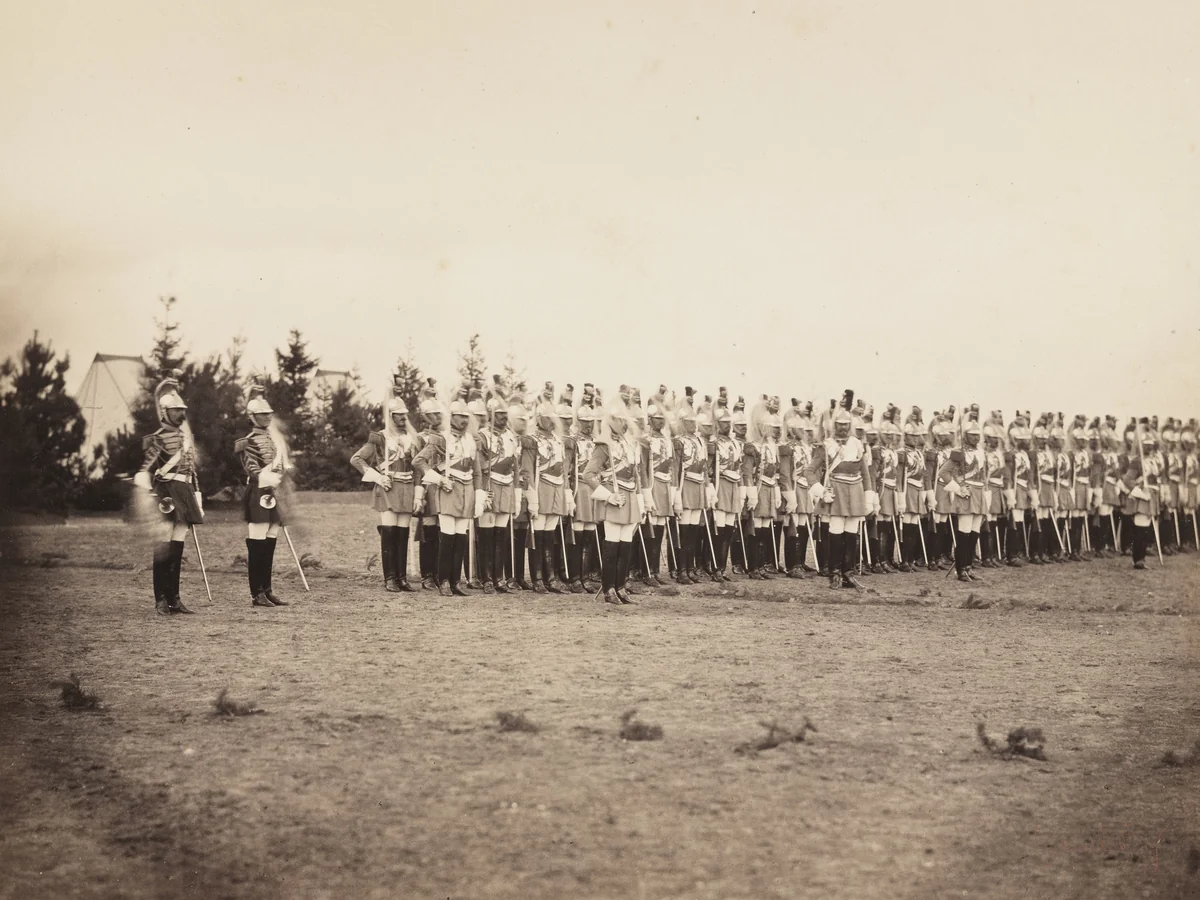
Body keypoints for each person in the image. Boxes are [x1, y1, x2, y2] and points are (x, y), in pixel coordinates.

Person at [135, 375, 203, 615]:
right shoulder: (157, 438)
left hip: (184, 492)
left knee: (177, 547)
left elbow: (191, 470)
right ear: (165, 412)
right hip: (166, 493)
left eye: (181, 410)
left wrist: (197, 495)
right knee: (163, 547)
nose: (180, 414)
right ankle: (160, 599)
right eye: (175, 410)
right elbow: (145, 469)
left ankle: (175, 598)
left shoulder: (186, 439)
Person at [350, 373, 419, 593]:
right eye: (397, 415)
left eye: (404, 415)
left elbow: (416, 466)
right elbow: (357, 459)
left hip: (407, 487)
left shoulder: (412, 438)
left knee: (403, 532)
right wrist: (377, 476)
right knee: (389, 532)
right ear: (390, 416)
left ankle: (401, 577)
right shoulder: (379, 437)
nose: (402, 419)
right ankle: (389, 577)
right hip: (389, 487)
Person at [412, 397, 486, 596]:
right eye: (459, 417)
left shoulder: (472, 439)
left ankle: (455, 582)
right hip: (448, 490)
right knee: (447, 536)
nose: (463, 420)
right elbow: (418, 461)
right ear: (451, 417)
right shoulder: (441, 438)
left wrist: (479, 496)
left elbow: (477, 472)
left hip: (467, 491)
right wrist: (438, 479)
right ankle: (443, 580)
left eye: (465, 417)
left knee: (461, 537)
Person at [806, 391, 876, 590]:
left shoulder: (857, 444)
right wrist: (820, 491)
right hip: (835, 492)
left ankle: (849, 573)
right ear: (834, 425)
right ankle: (834, 573)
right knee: (836, 532)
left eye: (846, 424)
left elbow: (866, 473)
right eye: (839, 424)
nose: (843, 428)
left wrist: (869, 497)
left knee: (852, 533)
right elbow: (809, 471)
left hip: (855, 492)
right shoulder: (826, 446)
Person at [581, 396, 644, 604]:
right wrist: (608, 496)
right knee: (612, 543)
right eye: (618, 419)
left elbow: (636, 475)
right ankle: (608, 589)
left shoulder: (631, 444)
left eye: (624, 420)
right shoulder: (603, 445)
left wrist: (642, 500)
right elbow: (588, 474)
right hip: (613, 496)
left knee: (626, 544)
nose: (623, 423)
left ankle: (620, 586)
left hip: (630, 496)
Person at [522, 383, 572, 594]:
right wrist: (531, 497)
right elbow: (526, 471)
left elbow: (564, 470)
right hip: (540, 488)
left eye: (553, 419)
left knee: (550, 534)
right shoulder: (531, 441)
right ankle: (538, 578)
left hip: (557, 489)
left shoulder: (559, 441)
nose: (551, 423)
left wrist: (568, 494)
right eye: (547, 418)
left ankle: (550, 576)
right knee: (538, 533)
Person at [475, 377, 522, 593]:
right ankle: (486, 578)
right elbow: (479, 462)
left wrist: (518, 490)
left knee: (501, 533)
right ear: (491, 416)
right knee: (486, 532)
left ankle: (498, 578)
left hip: (506, 485)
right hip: (490, 485)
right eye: (500, 416)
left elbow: (516, 464)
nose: (504, 420)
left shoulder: (512, 436)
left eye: (505, 416)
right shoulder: (482, 436)